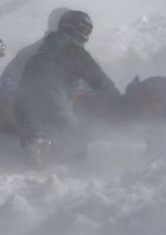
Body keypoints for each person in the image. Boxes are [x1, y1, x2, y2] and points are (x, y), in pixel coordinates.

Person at [14, 10, 124, 158]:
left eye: (89, 31)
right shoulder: (74, 50)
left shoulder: (40, 49)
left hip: (21, 103)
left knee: (42, 127)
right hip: (51, 101)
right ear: (73, 28)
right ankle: (73, 169)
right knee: (79, 137)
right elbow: (99, 81)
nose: (87, 36)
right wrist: (121, 102)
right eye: (85, 30)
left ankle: (37, 143)